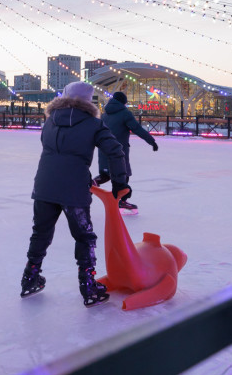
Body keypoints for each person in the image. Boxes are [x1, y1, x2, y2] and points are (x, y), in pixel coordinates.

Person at [22, 80, 129, 306]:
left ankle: (30, 278)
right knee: (84, 237)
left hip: (44, 186)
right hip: (74, 190)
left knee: (40, 233)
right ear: (89, 101)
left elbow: (50, 148)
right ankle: (88, 287)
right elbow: (115, 150)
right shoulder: (93, 124)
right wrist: (119, 183)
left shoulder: (50, 121)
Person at [95, 91, 158, 214]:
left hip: (103, 149)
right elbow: (137, 129)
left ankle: (91, 184)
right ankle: (122, 201)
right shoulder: (125, 113)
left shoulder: (104, 114)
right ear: (123, 102)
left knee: (106, 174)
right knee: (123, 174)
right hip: (119, 151)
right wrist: (152, 141)